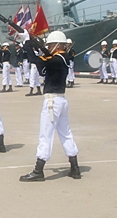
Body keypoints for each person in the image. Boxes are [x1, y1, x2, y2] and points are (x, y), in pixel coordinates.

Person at [19, 31, 81, 182]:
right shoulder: (63, 58)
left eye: (50, 45)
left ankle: (38, 170)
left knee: (45, 135)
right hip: (60, 100)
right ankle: (75, 168)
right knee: (65, 133)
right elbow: (44, 71)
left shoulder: (57, 58)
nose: (48, 47)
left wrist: (28, 43)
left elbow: (35, 60)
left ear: (58, 45)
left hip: (52, 101)